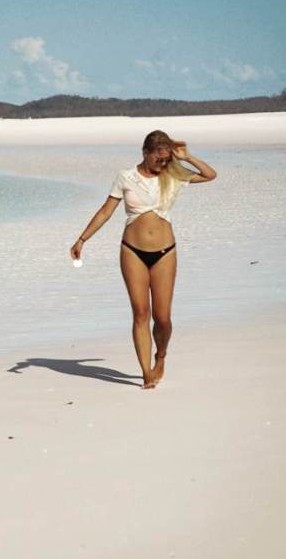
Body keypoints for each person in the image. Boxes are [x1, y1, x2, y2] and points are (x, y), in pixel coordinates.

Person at [70, 130, 217, 389]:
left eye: (165, 159)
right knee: (140, 313)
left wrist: (187, 156)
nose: (162, 164)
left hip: (165, 252)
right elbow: (106, 211)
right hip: (132, 250)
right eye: (158, 159)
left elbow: (210, 175)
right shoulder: (125, 177)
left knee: (162, 318)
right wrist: (82, 239)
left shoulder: (173, 174)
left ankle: (161, 356)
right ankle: (146, 372)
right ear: (145, 153)